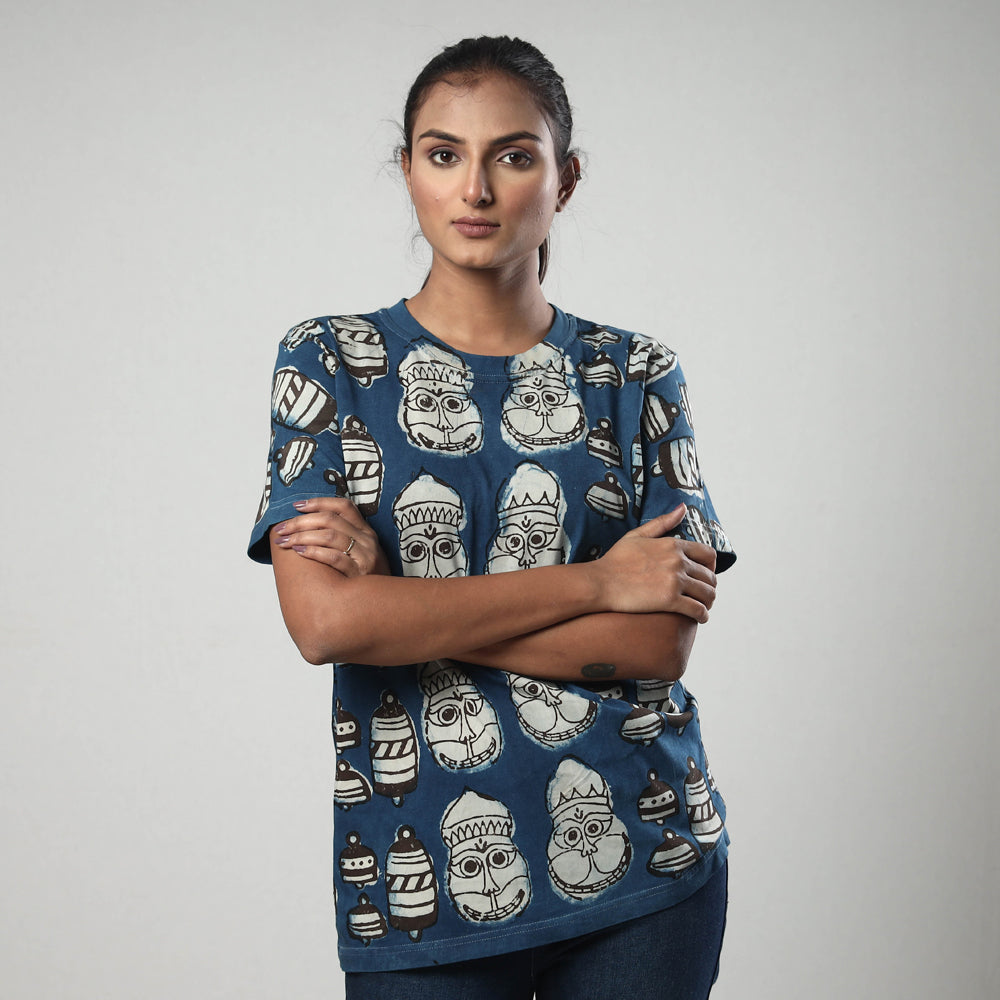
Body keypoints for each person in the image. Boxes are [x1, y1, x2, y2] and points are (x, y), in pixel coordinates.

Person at [248, 35, 736, 1000]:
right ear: (408, 170)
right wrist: (597, 583)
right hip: (419, 885)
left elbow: (655, 644)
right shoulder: (329, 363)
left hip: (646, 865)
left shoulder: (636, 375)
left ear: (564, 180)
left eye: (513, 156)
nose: (474, 189)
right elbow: (327, 625)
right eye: (444, 154)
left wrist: (401, 608)